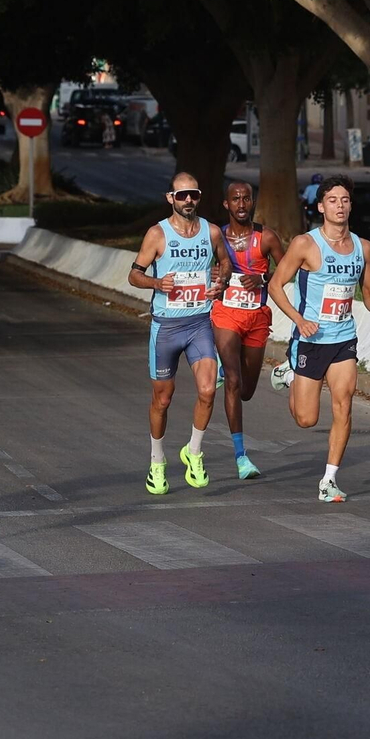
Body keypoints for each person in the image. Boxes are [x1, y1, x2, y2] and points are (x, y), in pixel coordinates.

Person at [267, 175, 370, 502]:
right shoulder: (306, 244)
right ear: (321, 206)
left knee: (344, 405)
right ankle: (290, 373)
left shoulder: (364, 248)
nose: (340, 206)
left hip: (344, 339)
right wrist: (299, 319)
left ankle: (329, 480)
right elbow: (275, 285)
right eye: (332, 200)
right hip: (311, 339)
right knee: (306, 419)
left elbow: (369, 289)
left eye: (345, 200)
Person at [127, 172, 229, 496]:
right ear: (170, 198)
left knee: (208, 390)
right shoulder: (158, 234)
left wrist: (220, 279)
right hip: (167, 327)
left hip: (199, 322)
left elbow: (225, 263)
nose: (188, 201)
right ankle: (157, 460)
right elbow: (133, 274)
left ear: (199, 197)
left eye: (194, 195)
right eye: (182, 195)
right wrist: (157, 284)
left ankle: (194, 452)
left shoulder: (212, 231)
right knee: (163, 398)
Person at [210, 181, 286, 480]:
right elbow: (201, 265)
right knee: (232, 380)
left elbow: (288, 268)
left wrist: (264, 278)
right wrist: (214, 274)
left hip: (256, 317)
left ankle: (225, 368)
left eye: (246, 199)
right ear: (226, 204)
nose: (241, 204)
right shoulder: (216, 236)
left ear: (251, 202)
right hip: (225, 313)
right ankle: (241, 457)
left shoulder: (265, 237)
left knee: (246, 391)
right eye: (235, 199)